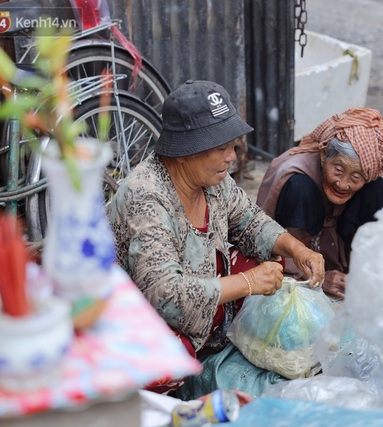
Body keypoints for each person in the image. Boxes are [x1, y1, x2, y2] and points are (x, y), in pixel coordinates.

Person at [107, 80, 325, 398]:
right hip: (142, 313)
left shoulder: (213, 181)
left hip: (201, 297)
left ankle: (211, 347)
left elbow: (249, 221)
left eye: (233, 146)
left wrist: (297, 249)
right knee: (170, 362)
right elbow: (165, 294)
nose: (232, 157)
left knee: (270, 263)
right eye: (221, 148)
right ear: (184, 152)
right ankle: (168, 391)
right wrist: (248, 283)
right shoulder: (145, 197)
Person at [256, 107, 383, 299]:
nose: (343, 184)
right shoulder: (294, 175)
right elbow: (264, 230)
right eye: (338, 170)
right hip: (301, 251)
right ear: (324, 155)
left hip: (342, 247)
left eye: (356, 177)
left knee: (376, 190)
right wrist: (317, 277)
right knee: (301, 189)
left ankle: (358, 269)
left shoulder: (371, 180)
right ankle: (304, 273)